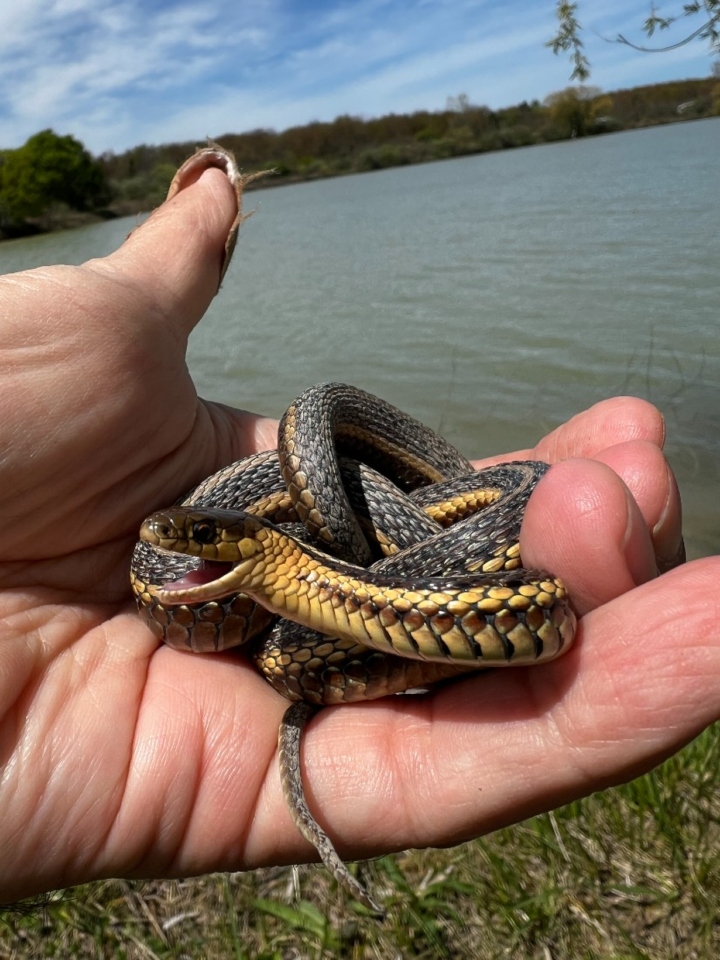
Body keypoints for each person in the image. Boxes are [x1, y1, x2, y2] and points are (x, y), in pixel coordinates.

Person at [0, 161, 716, 907]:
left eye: (199, 534)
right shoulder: (252, 578)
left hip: (439, 527)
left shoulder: (305, 543)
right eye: (190, 536)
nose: (180, 541)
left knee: (562, 501)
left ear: (249, 541)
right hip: (349, 576)